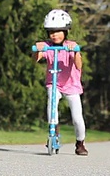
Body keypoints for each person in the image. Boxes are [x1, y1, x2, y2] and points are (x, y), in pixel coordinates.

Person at [33, 9, 88, 156]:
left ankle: (80, 143)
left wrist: (76, 51)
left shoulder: (71, 45)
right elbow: (36, 59)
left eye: (58, 31)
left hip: (72, 85)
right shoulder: (48, 46)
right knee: (52, 105)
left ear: (65, 31)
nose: (54, 35)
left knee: (77, 118)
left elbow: (79, 65)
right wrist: (37, 50)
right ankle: (53, 135)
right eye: (51, 32)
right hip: (54, 82)